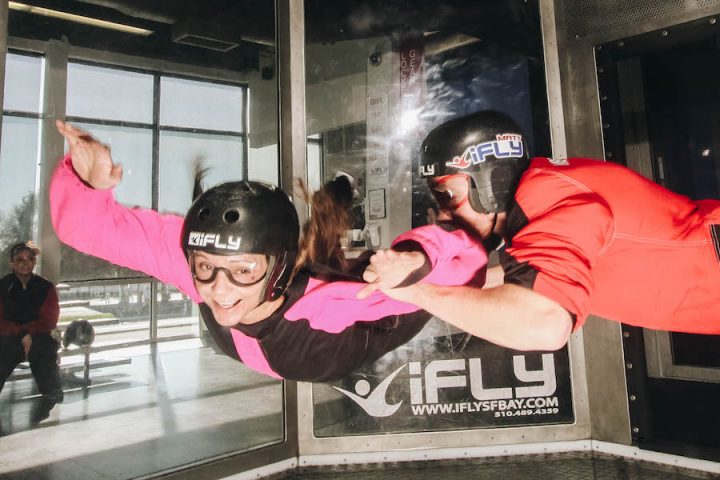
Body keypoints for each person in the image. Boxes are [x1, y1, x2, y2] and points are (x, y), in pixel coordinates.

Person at [50, 121, 488, 382]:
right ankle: (338, 196)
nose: (219, 290)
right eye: (206, 268)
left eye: (242, 271)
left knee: (380, 272)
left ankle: (342, 196)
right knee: (324, 250)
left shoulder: (330, 306)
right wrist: (85, 182)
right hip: (301, 299)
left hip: (353, 329)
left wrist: (418, 256)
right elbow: (89, 229)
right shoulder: (196, 268)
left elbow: (463, 265)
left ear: (275, 269)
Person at [359, 110, 720, 351]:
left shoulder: (548, 200)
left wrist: (416, 293)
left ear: (490, 180)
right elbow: (523, 275)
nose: (443, 213)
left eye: (448, 194)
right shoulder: (545, 190)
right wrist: (428, 279)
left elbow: (544, 324)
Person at [0, 242, 63, 422]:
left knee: (44, 353)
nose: (25, 263)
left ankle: (51, 393)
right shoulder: (2, 287)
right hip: (9, 339)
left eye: (29, 259)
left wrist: (28, 332)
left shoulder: (45, 287)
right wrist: (21, 333)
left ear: (34, 262)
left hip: (38, 338)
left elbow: (50, 319)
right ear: (12, 263)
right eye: (19, 260)